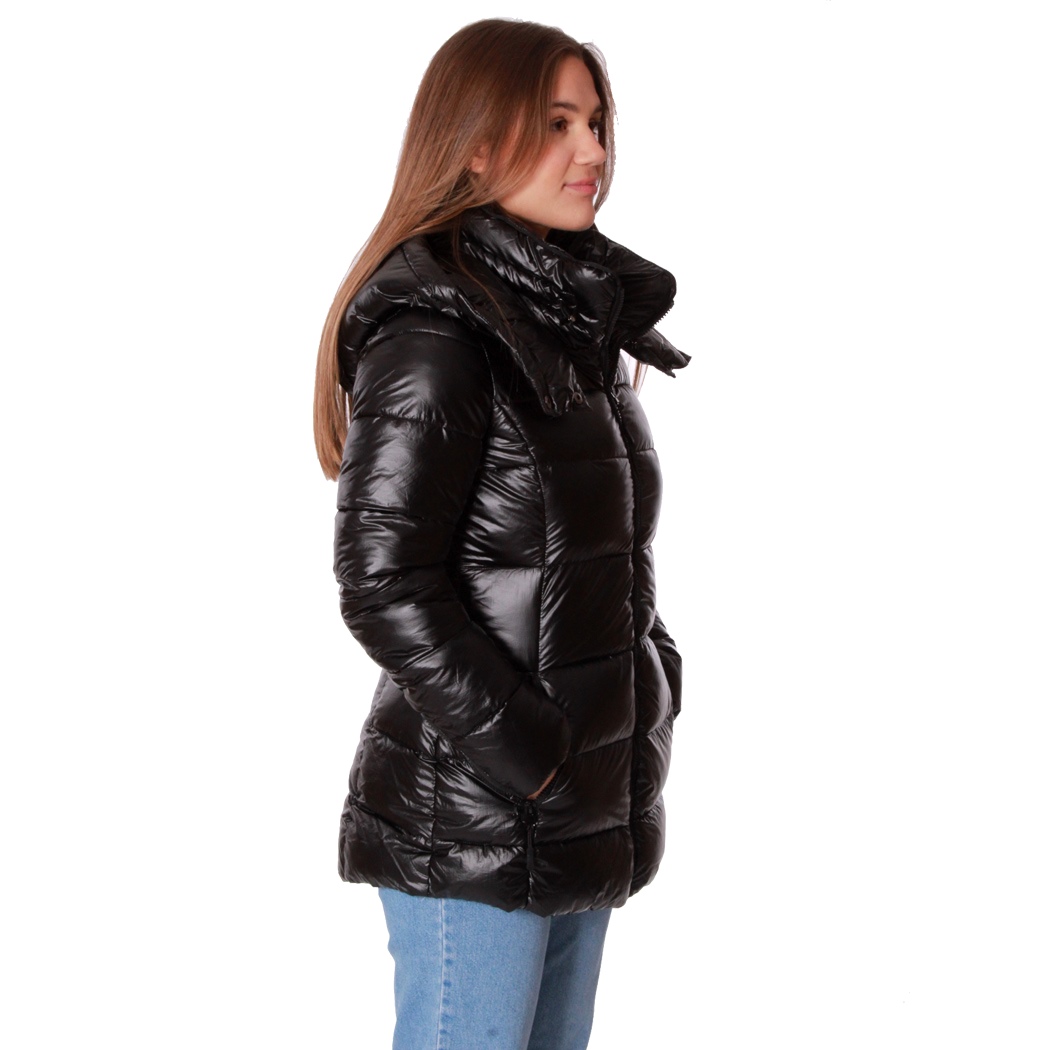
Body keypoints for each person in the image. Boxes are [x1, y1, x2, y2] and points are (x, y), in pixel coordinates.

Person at [313, 18, 688, 1050]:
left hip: (578, 801)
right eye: (557, 123)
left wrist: (644, 689)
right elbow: (382, 581)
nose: (592, 150)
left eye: (597, 122)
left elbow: (604, 558)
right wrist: (537, 755)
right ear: (476, 146)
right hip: (474, 819)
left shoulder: (568, 320)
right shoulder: (435, 329)